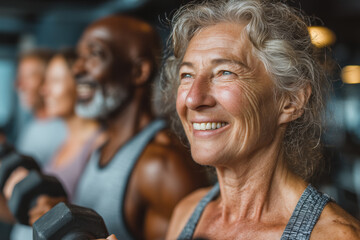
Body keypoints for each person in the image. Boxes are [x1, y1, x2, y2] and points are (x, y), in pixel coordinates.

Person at [158, 0, 359, 239]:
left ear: (291, 101)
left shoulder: (333, 235)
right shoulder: (187, 212)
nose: (192, 98)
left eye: (225, 72)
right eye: (187, 75)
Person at [33, 15, 210, 240]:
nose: (77, 69)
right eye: (79, 57)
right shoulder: (104, 145)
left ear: (139, 72)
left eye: (95, 54)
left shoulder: (162, 165)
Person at [3, 49, 105, 239]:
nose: (44, 90)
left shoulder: (99, 143)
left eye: (55, 81)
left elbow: (95, 216)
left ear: (81, 86)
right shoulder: (64, 141)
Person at [15, 49, 67, 166]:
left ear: (46, 80)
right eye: (20, 77)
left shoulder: (63, 132)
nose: (19, 84)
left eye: (28, 77)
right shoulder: (33, 123)